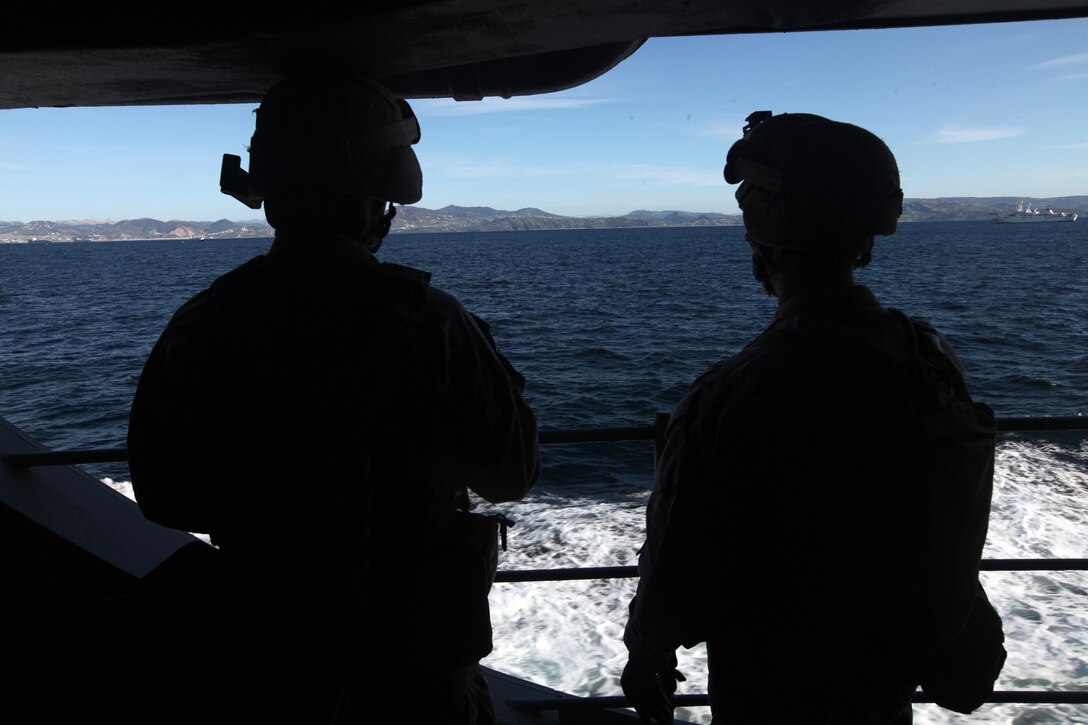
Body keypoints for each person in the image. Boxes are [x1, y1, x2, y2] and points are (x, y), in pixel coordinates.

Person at [126, 76, 540, 724]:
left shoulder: (204, 323)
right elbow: (514, 473)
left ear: (272, 197)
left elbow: (162, 492)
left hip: (267, 666)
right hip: (414, 679)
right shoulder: (431, 323)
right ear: (370, 201)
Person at [621, 111, 1006, 724]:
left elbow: (676, 562)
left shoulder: (731, 394)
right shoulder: (927, 357)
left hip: (770, 687)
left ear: (765, 228)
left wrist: (647, 650)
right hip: (882, 685)